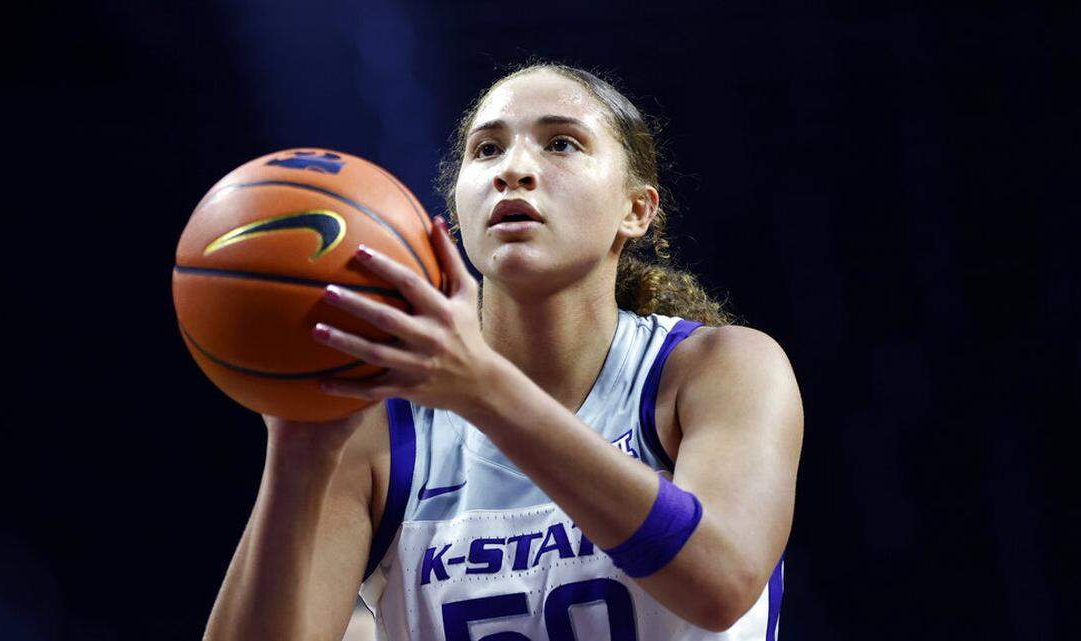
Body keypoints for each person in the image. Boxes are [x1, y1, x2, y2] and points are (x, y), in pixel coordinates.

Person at [204, 62, 803, 641]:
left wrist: (484, 389)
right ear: (457, 217)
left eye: (562, 143)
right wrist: (297, 455)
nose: (512, 168)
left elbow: (721, 585)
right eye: (486, 149)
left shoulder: (719, 369)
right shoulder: (382, 432)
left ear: (636, 209)